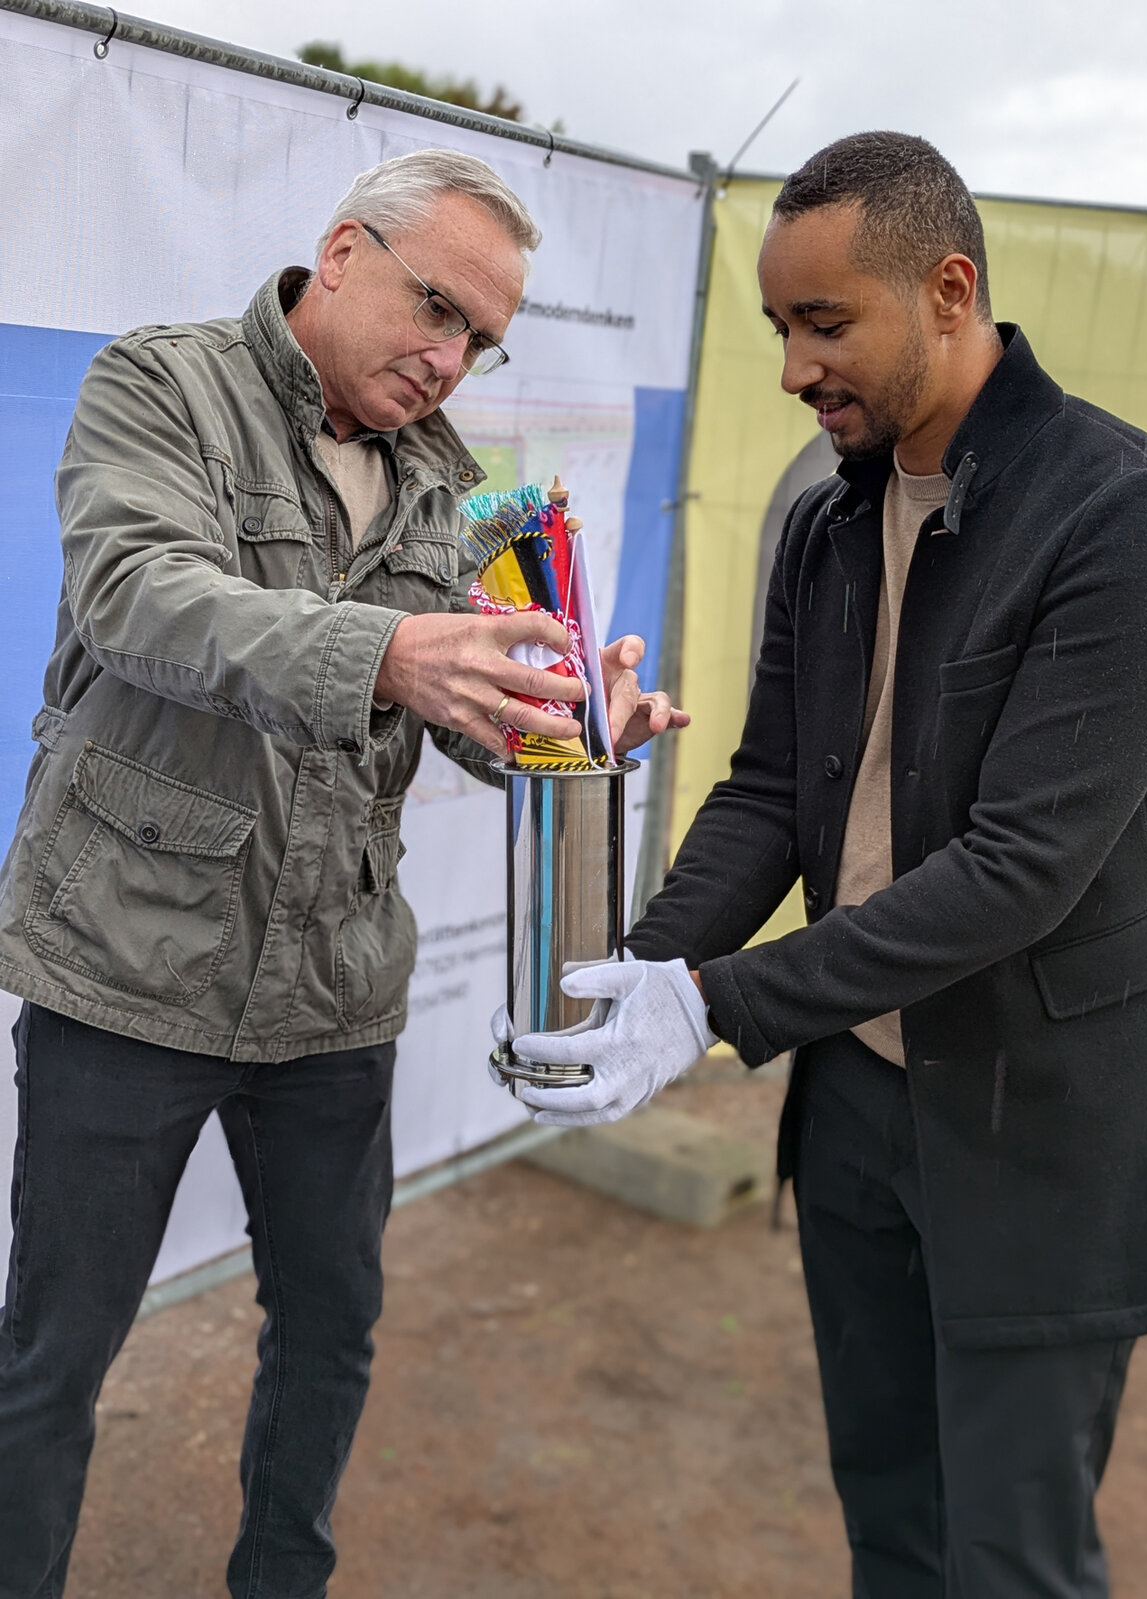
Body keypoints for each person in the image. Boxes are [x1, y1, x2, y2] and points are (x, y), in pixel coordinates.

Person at [513, 131, 1147, 1596]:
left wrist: (716, 1005)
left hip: (1039, 1121)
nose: (793, 368)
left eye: (825, 324)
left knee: (1011, 1557)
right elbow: (771, 788)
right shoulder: (828, 516)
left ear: (949, 291)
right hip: (857, 1108)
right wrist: (637, 973)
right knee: (889, 1525)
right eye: (779, 327)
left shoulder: (1131, 516)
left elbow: (1021, 868)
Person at [0, 148, 684, 1599]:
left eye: (481, 340)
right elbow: (138, 597)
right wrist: (387, 651)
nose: (450, 359)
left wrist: (576, 730)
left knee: (329, 1336)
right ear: (342, 253)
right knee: (54, 1359)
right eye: (437, 307)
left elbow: (473, 716)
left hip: (333, 992)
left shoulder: (450, 491)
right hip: (125, 970)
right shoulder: (163, 387)